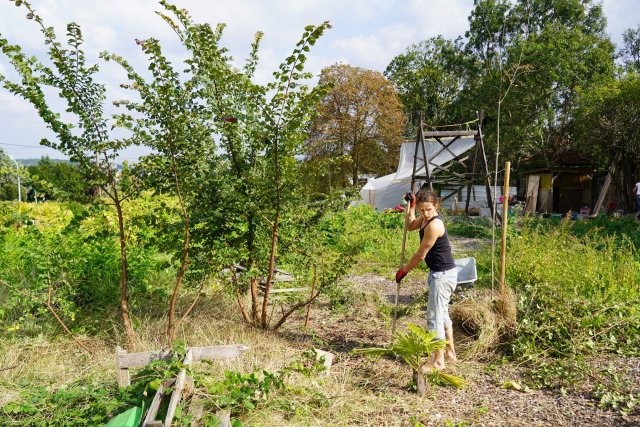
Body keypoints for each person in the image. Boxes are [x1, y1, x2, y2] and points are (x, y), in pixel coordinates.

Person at [395, 188, 457, 371]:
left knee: (434, 317)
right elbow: (410, 225)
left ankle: (438, 361)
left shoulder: (434, 225)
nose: (425, 213)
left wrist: (404, 271)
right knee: (442, 315)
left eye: (428, 209)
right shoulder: (424, 219)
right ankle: (450, 354)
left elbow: (420, 255)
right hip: (440, 273)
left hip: (443, 276)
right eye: (422, 210)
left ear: (436, 206)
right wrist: (411, 207)